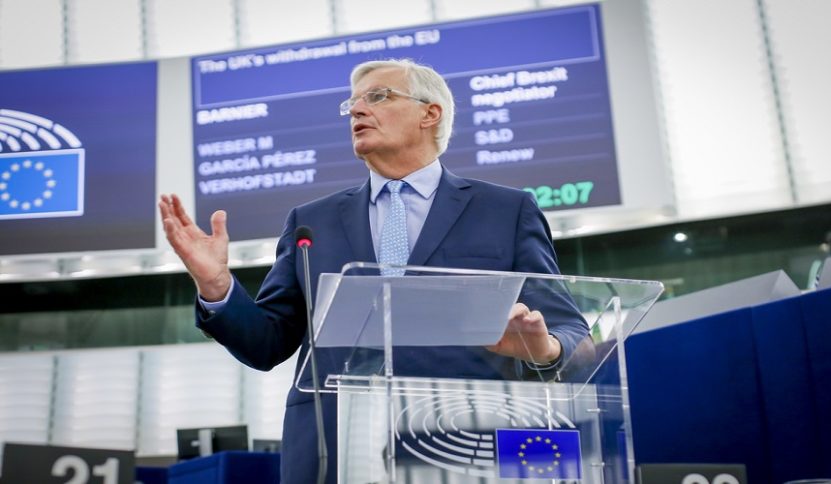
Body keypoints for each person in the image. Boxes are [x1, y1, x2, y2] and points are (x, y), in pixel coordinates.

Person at [159, 58, 591, 483]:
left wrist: (546, 349)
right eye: (352, 104)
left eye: (378, 97)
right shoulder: (311, 222)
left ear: (430, 113)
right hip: (335, 448)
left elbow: (571, 330)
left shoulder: (506, 210)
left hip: (467, 446)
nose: (357, 110)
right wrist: (216, 285)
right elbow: (266, 344)